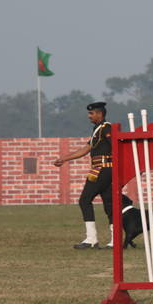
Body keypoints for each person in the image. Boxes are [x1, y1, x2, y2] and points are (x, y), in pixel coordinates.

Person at [53, 102, 113, 249]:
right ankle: (115, 240)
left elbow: (117, 145)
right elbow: (86, 149)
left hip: (103, 169)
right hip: (102, 169)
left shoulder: (106, 128)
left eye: (91, 113)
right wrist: (65, 158)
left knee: (84, 200)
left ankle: (91, 239)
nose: (89, 116)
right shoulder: (97, 130)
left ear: (100, 114)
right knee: (109, 204)